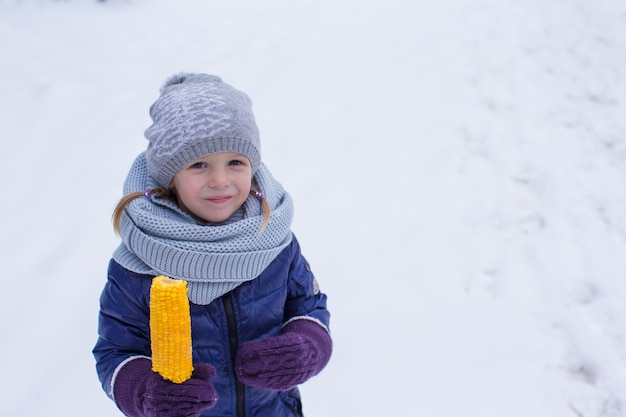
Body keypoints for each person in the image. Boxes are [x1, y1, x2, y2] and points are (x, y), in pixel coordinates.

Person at [93, 73, 332, 417]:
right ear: (169, 176)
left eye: (236, 162)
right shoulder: (139, 262)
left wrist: (308, 346)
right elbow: (115, 351)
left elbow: (308, 305)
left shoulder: (274, 241)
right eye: (199, 164)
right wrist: (145, 391)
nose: (220, 180)